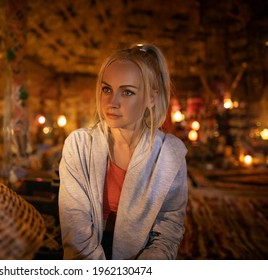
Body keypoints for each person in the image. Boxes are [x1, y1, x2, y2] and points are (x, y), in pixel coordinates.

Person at [58, 43, 188, 260]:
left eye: (127, 92)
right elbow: (76, 229)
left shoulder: (170, 156)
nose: (112, 102)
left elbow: (168, 232)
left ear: (151, 98)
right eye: (107, 89)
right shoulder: (79, 146)